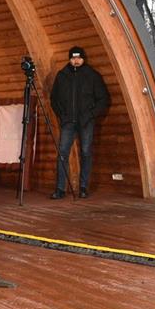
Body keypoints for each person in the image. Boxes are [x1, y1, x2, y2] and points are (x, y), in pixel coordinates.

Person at [49, 46, 109, 199]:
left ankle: (83, 187)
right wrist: (62, 115)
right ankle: (60, 189)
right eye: (73, 58)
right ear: (70, 59)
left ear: (83, 59)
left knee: (86, 153)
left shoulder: (92, 75)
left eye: (78, 58)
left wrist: (90, 115)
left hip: (86, 122)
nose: (76, 61)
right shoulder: (62, 75)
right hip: (68, 122)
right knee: (62, 153)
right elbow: (54, 98)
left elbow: (103, 99)